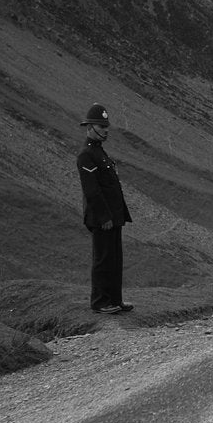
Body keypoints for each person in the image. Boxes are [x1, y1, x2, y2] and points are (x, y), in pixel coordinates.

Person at [77, 103, 134, 314]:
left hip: (114, 216)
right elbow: (91, 191)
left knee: (115, 259)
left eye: (106, 126)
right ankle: (100, 302)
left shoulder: (99, 153)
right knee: (102, 259)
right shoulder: (86, 155)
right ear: (90, 127)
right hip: (102, 218)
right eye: (101, 126)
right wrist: (104, 217)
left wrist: (118, 215)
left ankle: (115, 299)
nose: (105, 130)